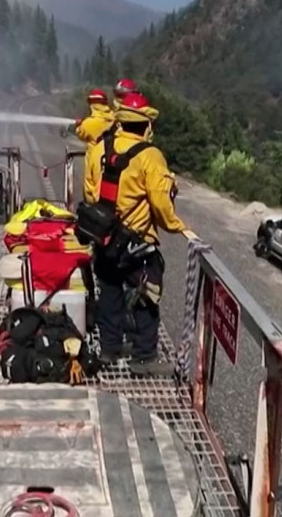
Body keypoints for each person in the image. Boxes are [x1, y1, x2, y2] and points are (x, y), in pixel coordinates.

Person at [81, 92, 186, 375]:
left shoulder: (99, 148)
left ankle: (109, 349)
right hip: (137, 244)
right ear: (146, 126)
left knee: (110, 294)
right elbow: (161, 203)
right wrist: (178, 227)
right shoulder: (151, 156)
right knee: (146, 298)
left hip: (104, 239)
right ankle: (144, 357)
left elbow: (90, 190)